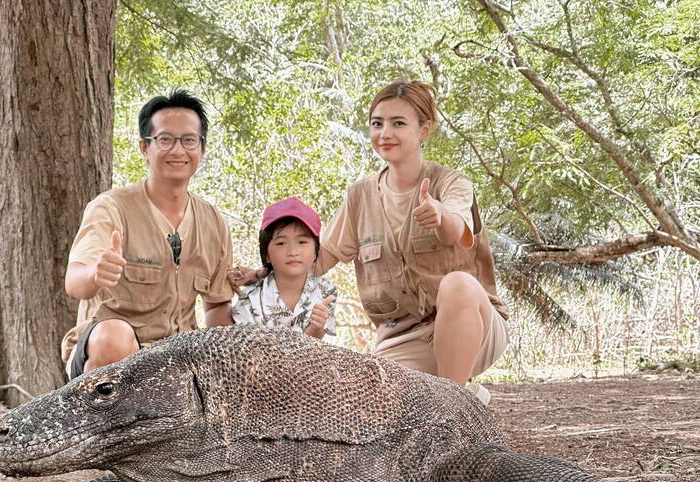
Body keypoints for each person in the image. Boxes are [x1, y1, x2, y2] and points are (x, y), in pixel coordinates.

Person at [232, 80, 508, 403]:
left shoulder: (451, 183)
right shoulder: (359, 197)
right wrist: (262, 273)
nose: (385, 133)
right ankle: (462, 395)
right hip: (403, 337)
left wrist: (439, 215)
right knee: (366, 407)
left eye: (398, 123)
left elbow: (456, 231)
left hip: (475, 326)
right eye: (377, 124)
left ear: (424, 130)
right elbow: (320, 259)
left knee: (458, 285)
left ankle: (456, 408)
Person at [61, 90, 235, 378]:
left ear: (201, 149)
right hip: (110, 354)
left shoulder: (213, 221)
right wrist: (95, 275)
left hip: (177, 358)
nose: (178, 151)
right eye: (165, 140)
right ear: (145, 147)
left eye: (189, 140)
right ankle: (103, 421)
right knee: (113, 337)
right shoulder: (111, 207)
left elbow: (216, 306)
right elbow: (74, 282)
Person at [231, 197, 337, 339]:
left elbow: (315, 348)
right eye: (281, 243)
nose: (293, 251)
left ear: (315, 252)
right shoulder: (249, 301)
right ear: (266, 254)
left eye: (302, 242)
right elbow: (247, 355)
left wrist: (316, 328)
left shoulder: (326, 291)